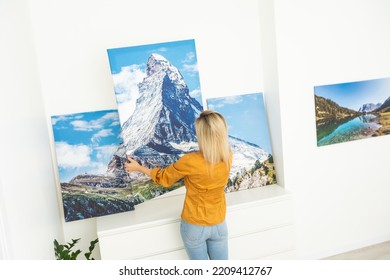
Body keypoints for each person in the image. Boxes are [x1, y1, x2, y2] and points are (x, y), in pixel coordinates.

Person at [125, 110, 232, 260]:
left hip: (195, 225)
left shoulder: (190, 160)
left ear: (202, 135)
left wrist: (138, 168)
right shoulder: (228, 156)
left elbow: (164, 178)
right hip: (219, 223)